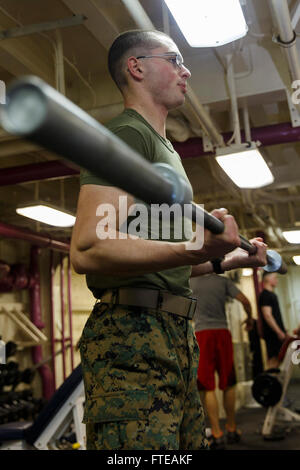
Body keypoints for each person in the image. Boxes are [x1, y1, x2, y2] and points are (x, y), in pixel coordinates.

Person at [70, 29, 267, 450]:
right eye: (174, 59)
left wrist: (224, 260)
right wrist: (192, 247)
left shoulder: (167, 151)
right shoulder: (128, 135)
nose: (187, 70)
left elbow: (164, 261)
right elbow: (87, 248)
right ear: (136, 67)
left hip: (174, 332)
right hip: (131, 335)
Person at [190, 273, 253, 449]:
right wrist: (249, 319)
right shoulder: (222, 281)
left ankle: (216, 433)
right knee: (229, 383)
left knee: (207, 386)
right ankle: (232, 428)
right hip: (222, 332)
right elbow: (246, 301)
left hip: (202, 334)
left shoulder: (190, 281)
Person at [258, 272, 287, 369]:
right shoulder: (265, 295)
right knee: (274, 360)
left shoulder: (272, 295)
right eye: (274, 278)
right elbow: (267, 315)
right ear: (267, 279)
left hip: (276, 333)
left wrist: (283, 330)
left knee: (278, 360)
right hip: (272, 334)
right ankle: (271, 382)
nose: (276, 280)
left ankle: (276, 382)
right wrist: (279, 332)